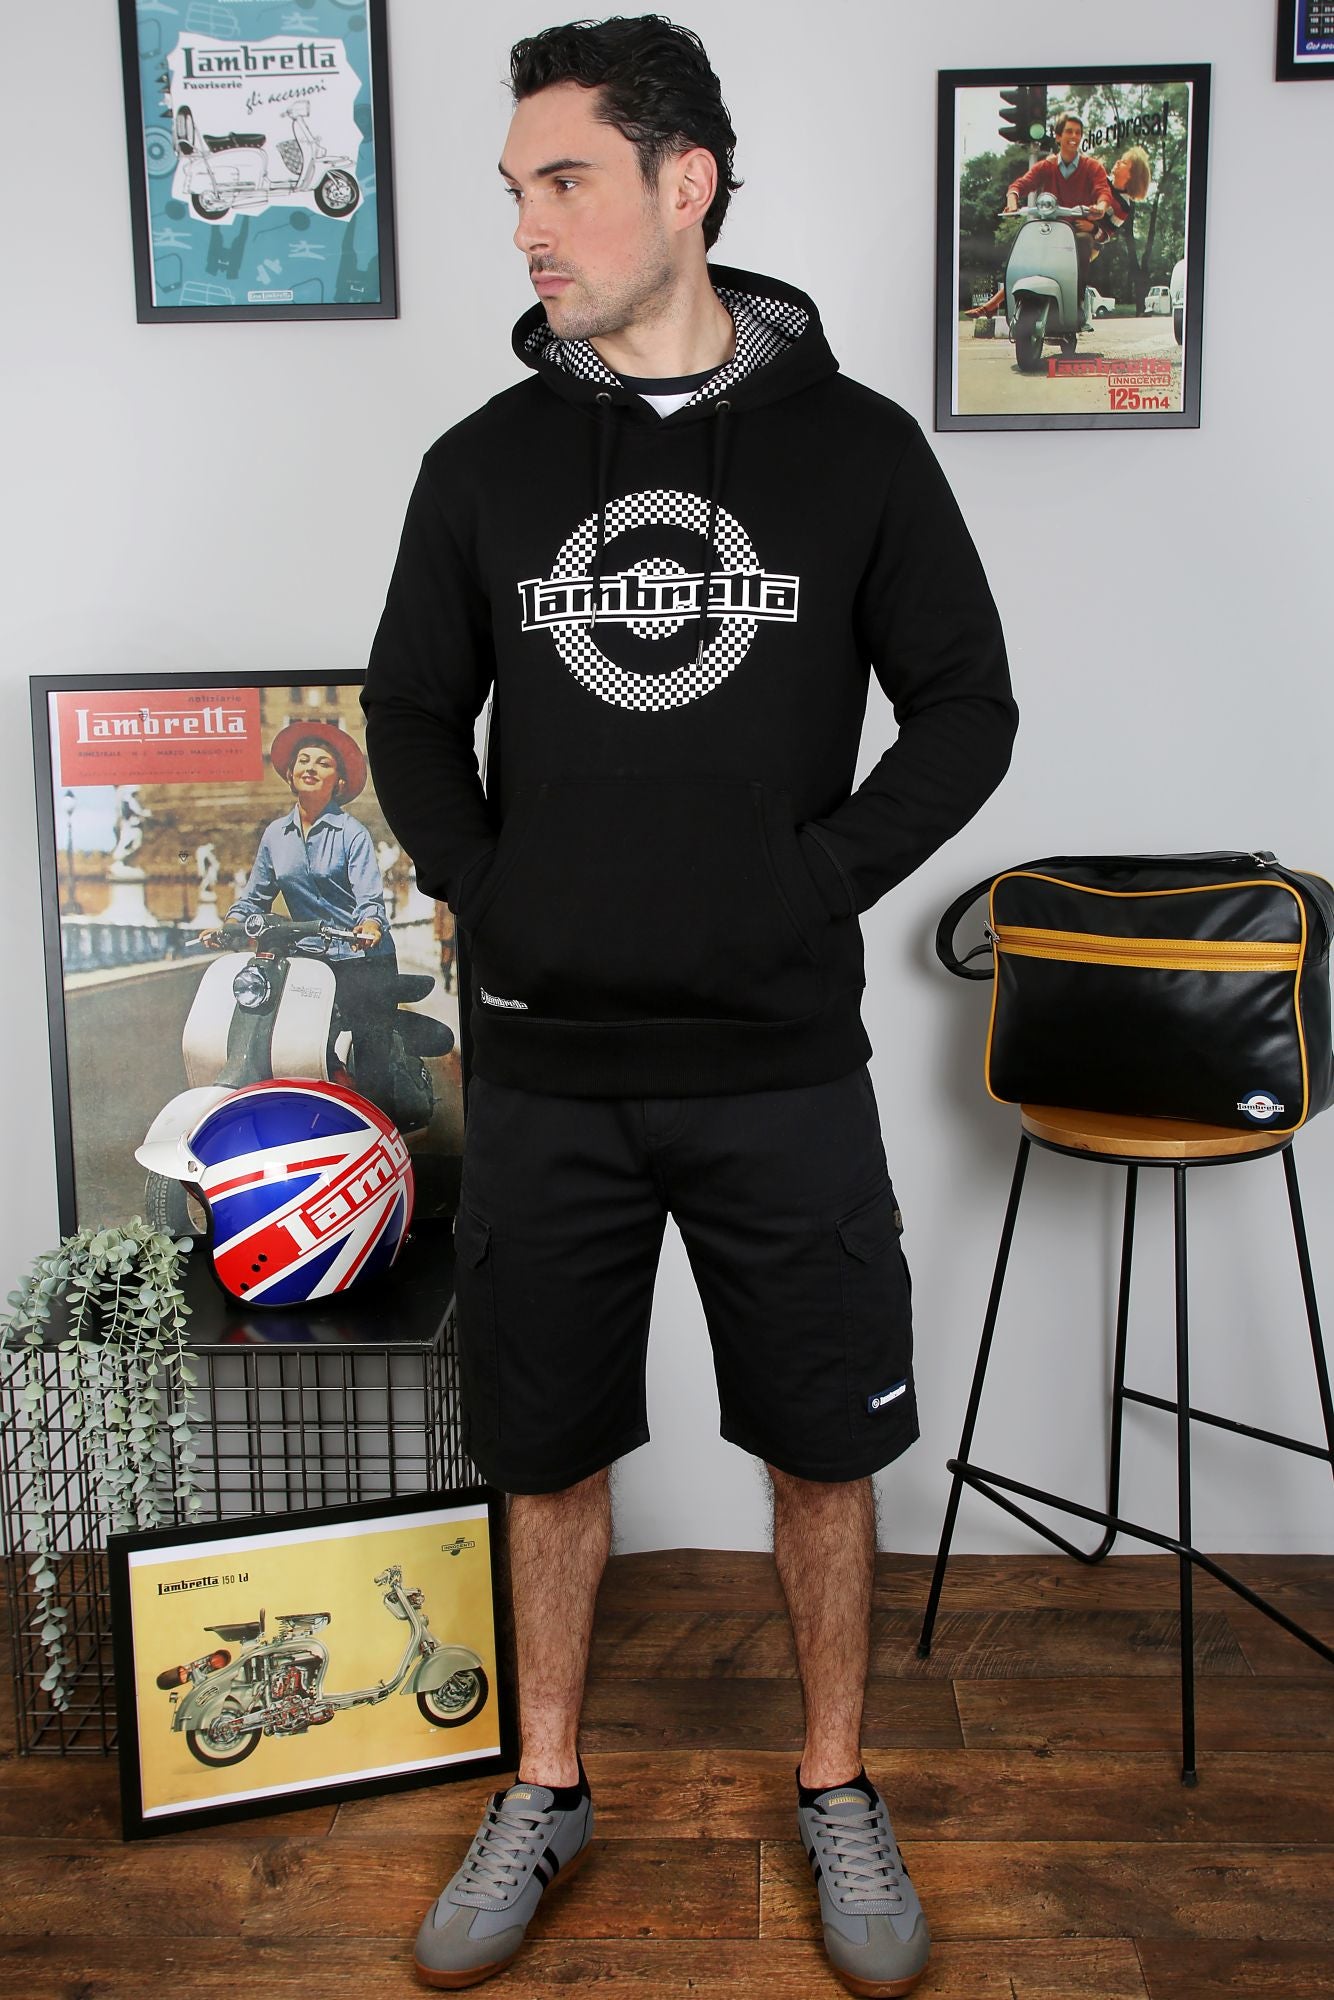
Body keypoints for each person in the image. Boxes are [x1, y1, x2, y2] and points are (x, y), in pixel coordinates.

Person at [362, 17, 1018, 1997]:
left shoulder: (855, 452)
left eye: (562, 179)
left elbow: (965, 707)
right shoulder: (480, 466)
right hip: (547, 1063)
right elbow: (408, 711)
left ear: (684, 184)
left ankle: (833, 1780)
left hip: (776, 1058)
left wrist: (811, 878)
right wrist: (492, 887)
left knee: (821, 1440)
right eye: (515, 189)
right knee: (546, 1446)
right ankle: (545, 1781)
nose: (528, 224)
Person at [208, 719, 400, 1112]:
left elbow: (369, 899)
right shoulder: (275, 835)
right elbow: (254, 898)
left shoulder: (352, 833)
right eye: (304, 760)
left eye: (323, 763)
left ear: (339, 782)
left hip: (363, 958)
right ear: (290, 774)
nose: (311, 767)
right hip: (311, 959)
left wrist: (369, 925)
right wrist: (230, 926)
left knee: (373, 1054)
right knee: (293, 1041)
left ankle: (384, 1124)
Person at [966, 141, 1149, 321]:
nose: (1118, 162)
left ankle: (1076, 305)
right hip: (1062, 229)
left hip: (1087, 242)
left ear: (1132, 175)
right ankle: (993, 305)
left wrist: (1093, 228)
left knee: (1083, 242)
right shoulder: (1100, 179)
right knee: (1031, 262)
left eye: (1124, 162)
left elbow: (1107, 235)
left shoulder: (1123, 206)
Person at [1003, 111, 1111, 312]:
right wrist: (1012, 198)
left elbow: (1103, 191)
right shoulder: (1047, 165)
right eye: (1069, 131)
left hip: (1077, 229)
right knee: (1026, 244)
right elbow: (1021, 184)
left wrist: (1101, 207)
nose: (1074, 136)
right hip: (1048, 229)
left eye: (1078, 132)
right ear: (1058, 136)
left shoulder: (1092, 166)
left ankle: (1077, 303)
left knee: (1083, 241)